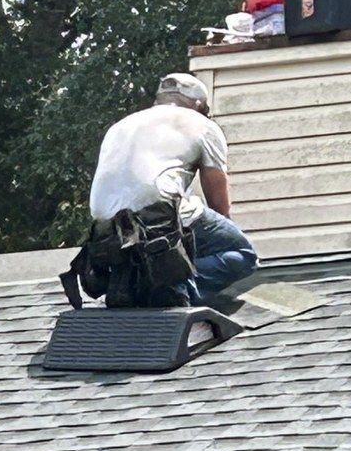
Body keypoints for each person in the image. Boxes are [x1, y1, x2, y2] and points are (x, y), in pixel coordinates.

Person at [87, 74, 258, 300]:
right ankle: (172, 286)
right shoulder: (202, 125)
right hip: (156, 213)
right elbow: (218, 203)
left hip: (104, 223)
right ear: (198, 105)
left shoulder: (121, 125)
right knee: (242, 254)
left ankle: (133, 277)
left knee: (180, 226)